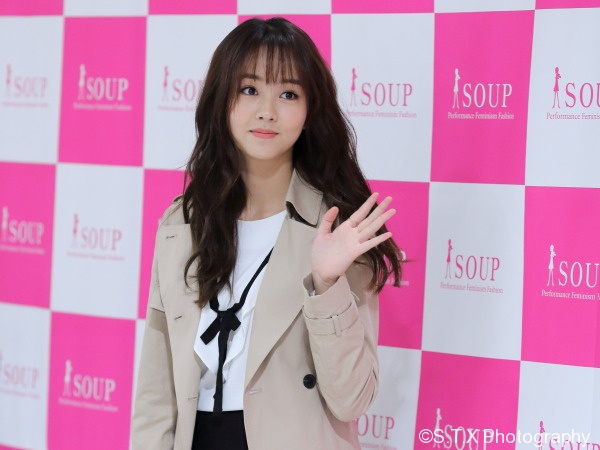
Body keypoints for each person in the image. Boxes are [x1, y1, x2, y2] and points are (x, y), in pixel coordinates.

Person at [132, 17, 403, 450]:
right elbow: (156, 390)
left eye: (288, 94)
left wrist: (326, 284)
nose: (267, 111)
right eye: (249, 89)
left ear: (311, 110)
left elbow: (352, 400)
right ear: (222, 100)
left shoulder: (339, 227)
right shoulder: (182, 223)